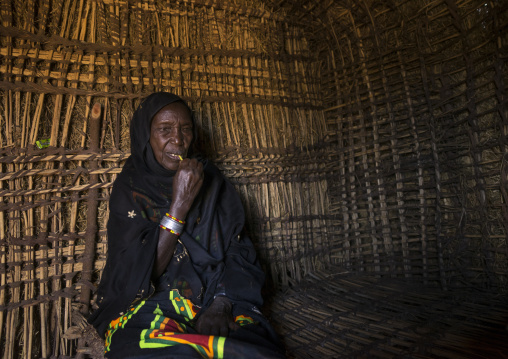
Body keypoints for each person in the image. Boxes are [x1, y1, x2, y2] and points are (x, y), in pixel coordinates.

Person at [87, 92, 285, 359]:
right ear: (146, 135)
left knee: (253, 349)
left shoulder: (211, 180)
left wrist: (222, 304)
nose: (178, 140)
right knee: (140, 347)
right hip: (151, 302)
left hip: (216, 296)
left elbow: (239, 251)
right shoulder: (130, 188)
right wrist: (180, 203)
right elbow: (144, 272)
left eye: (185, 129)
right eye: (165, 130)